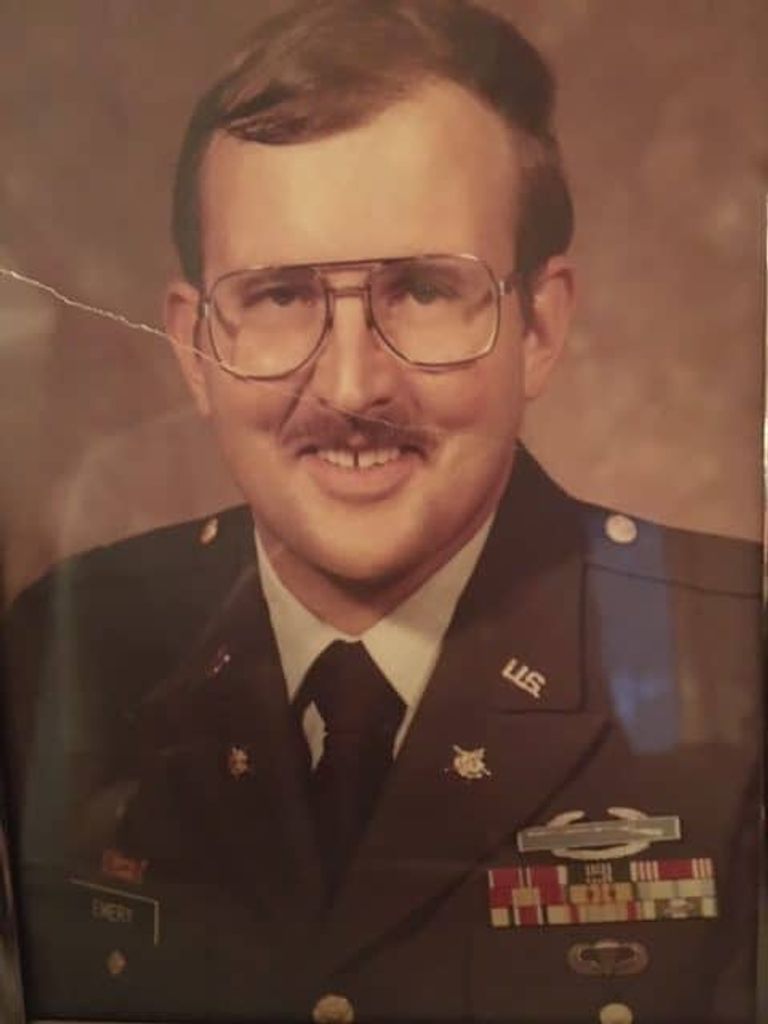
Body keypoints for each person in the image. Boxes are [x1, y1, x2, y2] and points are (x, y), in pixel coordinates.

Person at [3, 1, 761, 1022]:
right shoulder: (68, 653)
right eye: (280, 295)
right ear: (195, 347)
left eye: (422, 289)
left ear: (539, 329)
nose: (352, 385)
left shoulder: (733, 664)